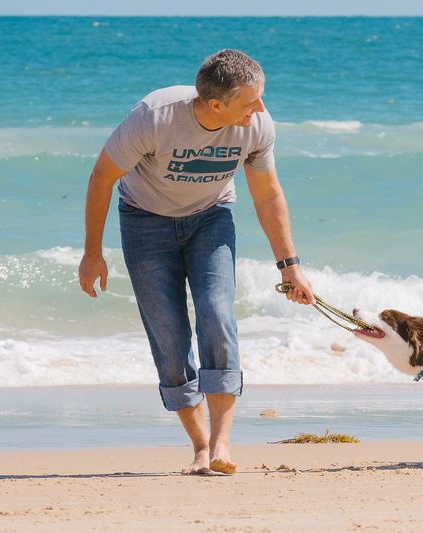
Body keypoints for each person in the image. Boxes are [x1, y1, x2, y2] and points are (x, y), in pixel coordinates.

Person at [77, 49, 315, 475]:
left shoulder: (257, 126)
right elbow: (102, 177)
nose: (260, 108)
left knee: (218, 315)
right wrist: (92, 253)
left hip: (212, 217)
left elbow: (267, 194)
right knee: (168, 335)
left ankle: (223, 441)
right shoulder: (155, 117)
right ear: (216, 104)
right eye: (250, 102)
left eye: (260, 99)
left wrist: (289, 265)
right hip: (144, 220)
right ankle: (201, 446)